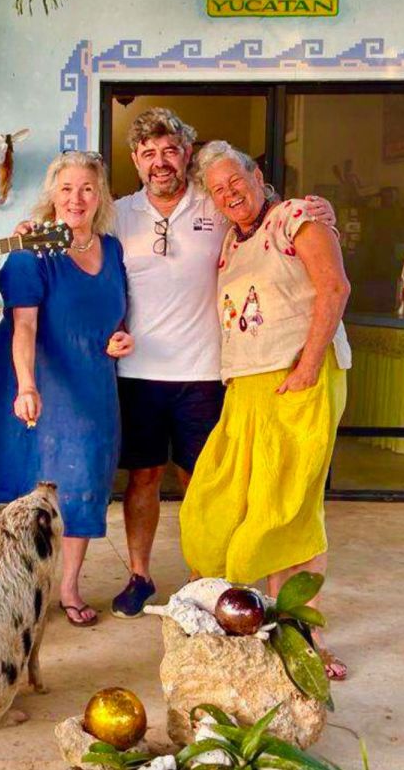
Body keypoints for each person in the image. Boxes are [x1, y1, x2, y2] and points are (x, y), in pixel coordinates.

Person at [110, 109, 334, 619]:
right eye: (148, 154)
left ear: (186, 154)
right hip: (139, 371)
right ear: (135, 161)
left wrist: (323, 212)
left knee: (205, 479)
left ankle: (202, 580)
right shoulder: (118, 213)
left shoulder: (215, 203)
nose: (160, 162)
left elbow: (275, 218)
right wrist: (33, 226)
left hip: (207, 371)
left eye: (170, 151)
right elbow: (77, 243)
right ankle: (140, 574)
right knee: (142, 478)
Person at [180, 140, 350, 680]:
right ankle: (251, 623)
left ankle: (305, 640)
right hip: (247, 390)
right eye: (218, 190)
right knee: (213, 504)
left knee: (291, 512)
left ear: (257, 176)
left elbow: (334, 287)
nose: (231, 195)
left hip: (299, 381)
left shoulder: (295, 217)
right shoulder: (231, 243)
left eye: (237, 181)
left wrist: (308, 365)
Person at [0, 151, 132, 627]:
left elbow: (113, 308)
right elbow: (23, 326)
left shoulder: (113, 249)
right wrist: (26, 387)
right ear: (52, 195)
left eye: (87, 188)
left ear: (100, 195)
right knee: (28, 488)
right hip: (38, 380)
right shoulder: (32, 250)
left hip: (92, 381)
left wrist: (121, 335)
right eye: (66, 189)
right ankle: (14, 590)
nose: (76, 198)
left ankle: (67, 587)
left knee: (84, 483)